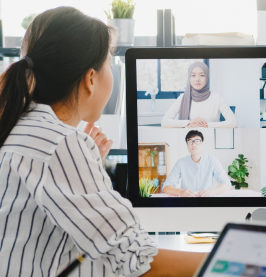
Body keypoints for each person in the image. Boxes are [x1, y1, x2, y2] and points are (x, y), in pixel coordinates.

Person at [0, 7, 204, 277]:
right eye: (110, 63)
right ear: (91, 79)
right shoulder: (61, 145)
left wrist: (85, 166)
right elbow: (137, 261)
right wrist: (247, 262)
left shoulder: (17, 125)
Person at [161, 62, 238, 128]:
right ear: (189, 78)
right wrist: (189, 122)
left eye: (201, 75)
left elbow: (233, 122)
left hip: (211, 139)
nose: (197, 79)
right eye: (193, 75)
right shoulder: (183, 98)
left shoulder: (217, 97)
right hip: (187, 141)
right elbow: (164, 122)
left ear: (207, 77)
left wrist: (206, 125)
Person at [162, 130, 232, 197]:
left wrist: (211, 192)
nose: (194, 144)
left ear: (202, 144)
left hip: (208, 201)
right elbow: (166, 187)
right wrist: (181, 192)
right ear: (187, 145)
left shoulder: (213, 161)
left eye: (197, 141)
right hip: (188, 202)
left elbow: (227, 185)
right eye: (190, 141)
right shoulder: (180, 163)